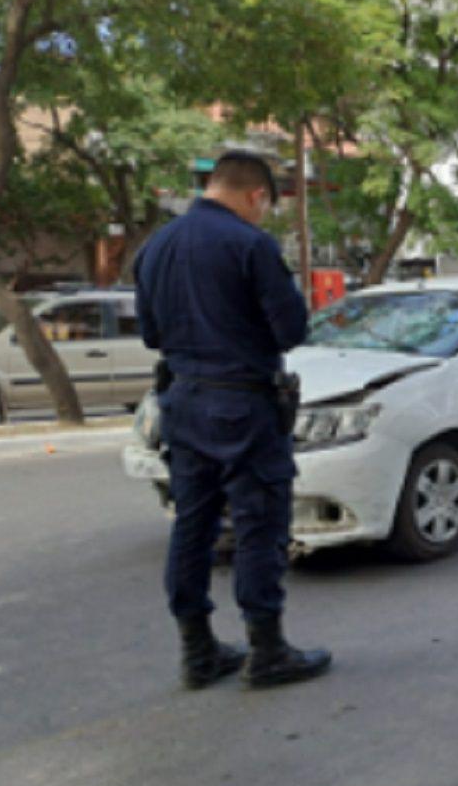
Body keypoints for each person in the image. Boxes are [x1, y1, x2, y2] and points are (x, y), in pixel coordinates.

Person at [135, 151, 332, 689]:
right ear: (255, 195)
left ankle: (197, 652)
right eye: (265, 207)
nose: (263, 215)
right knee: (258, 526)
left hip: (181, 403)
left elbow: (151, 334)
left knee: (193, 526)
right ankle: (267, 650)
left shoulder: (155, 246)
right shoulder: (250, 244)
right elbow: (291, 330)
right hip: (243, 406)